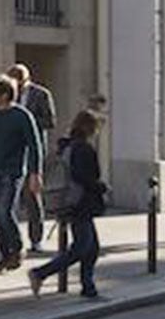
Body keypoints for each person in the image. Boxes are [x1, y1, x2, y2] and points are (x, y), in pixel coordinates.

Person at [30, 110, 108, 299]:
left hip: (71, 199)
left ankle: (88, 287)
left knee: (92, 248)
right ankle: (40, 273)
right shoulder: (83, 148)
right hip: (80, 202)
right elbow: (82, 176)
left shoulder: (67, 146)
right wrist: (101, 187)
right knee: (81, 247)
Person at [0, 73, 43, 272]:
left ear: (4, 95)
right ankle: (5, 255)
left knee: (5, 211)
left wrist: (34, 173)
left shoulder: (21, 115)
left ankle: (17, 249)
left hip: (11, 172)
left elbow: (34, 145)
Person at [7, 64, 58, 253]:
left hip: (32, 149)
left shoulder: (41, 94)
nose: (16, 87)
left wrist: (26, 123)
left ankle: (36, 238)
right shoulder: (8, 94)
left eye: (19, 82)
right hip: (12, 150)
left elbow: (50, 121)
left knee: (32, 196)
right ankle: (6, 237)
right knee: (8, 196)